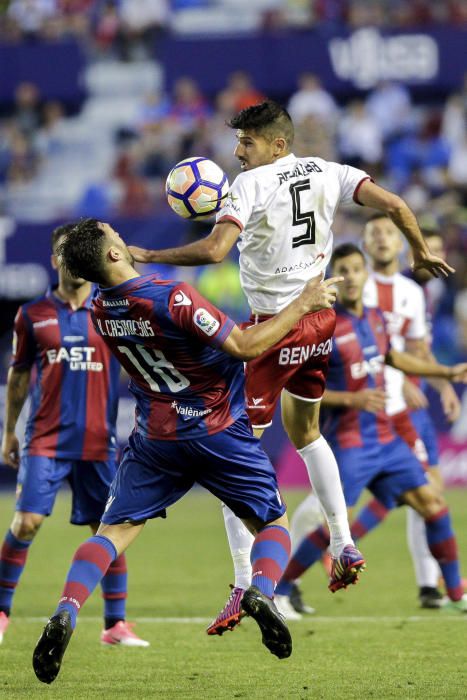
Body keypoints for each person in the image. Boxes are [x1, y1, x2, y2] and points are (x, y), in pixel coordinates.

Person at [128, 100, 454, 634]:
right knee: (305, 433)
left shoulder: (250, 187)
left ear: (277, 144)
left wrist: (147, 252)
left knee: (234, 452)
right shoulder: (331, 171)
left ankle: (240, 584)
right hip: (321, 320)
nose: (238, 153)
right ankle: (344, 544)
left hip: (275, 328)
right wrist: (418, 251)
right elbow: (394, 203)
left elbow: (214, 251)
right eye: (237, 144)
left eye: (247, 143)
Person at [32, 218, 342, 684]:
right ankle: (260, 590)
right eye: (117, 235)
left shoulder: (99, 308)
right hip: (217, 428)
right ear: (115, 255)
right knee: (271, 523)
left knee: (112, 533)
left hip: (156, 438)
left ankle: (66, 609)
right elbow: (243, 345)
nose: (123, 237)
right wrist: (303, 303)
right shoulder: (170, 297)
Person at [273, 243, 467, 615]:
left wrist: (444, 372)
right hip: (349, 442)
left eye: (356, 270)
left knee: (434, 505)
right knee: (334, 526)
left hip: (387, 437)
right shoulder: (323, 325)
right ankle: (281, 588)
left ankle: (456, 593)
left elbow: (392, 357)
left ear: (365, 276)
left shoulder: (376, 317)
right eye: (342, 270)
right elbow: (294, 386)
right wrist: (351, 400)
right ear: (334, 278)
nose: (350, 278)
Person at [0, 224, 148, 648]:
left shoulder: (112, 310)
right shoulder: (32, 315)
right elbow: (18, 376)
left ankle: (115, 625)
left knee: (109, 531)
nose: (75, 261)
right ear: (56, 261)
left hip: (99, 440)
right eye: (66, 253)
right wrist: (9, 432)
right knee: (26, 522)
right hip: (45, 439)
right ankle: (2, 611)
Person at [361, 217, 462, 608]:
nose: (434, 258)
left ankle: (429, 582)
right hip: (387, 402)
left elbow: (420, 350)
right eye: (428, 250)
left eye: (439, 251)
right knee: (420, 493)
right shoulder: (390, 287)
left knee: (424, 495)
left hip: (412, 401)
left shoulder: (422, 293)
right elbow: (386, 346)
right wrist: (400, 379)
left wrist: (442, 386)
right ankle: (333, 547)